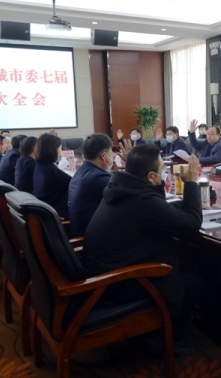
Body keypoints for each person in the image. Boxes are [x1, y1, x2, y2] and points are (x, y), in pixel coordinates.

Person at [82, 145, 204, 355]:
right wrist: (192, 183)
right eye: (161, 170)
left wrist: (180, 204)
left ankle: (155, 331)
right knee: (194, 282)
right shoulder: (142, 201)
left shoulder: (120, 187)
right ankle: (164, 339)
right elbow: (192, 224)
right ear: (150, 176)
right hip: (120, 285)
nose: (163, 174)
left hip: (103, 274)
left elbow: (155, 206)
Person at [68, 134, 113, 238]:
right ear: (104, 156)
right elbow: (129, 195)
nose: (112, 158)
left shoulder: (82, 171)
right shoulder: (98, 178)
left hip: (82, 230)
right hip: (92, 237)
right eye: (111, 154)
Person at [33, 133, 72, 219]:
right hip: (54, 214)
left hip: (43, 209)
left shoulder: (39, 166)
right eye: (60, 148)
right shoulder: (52, 171)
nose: (61, 151)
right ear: (53, 150)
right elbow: (74, 182)